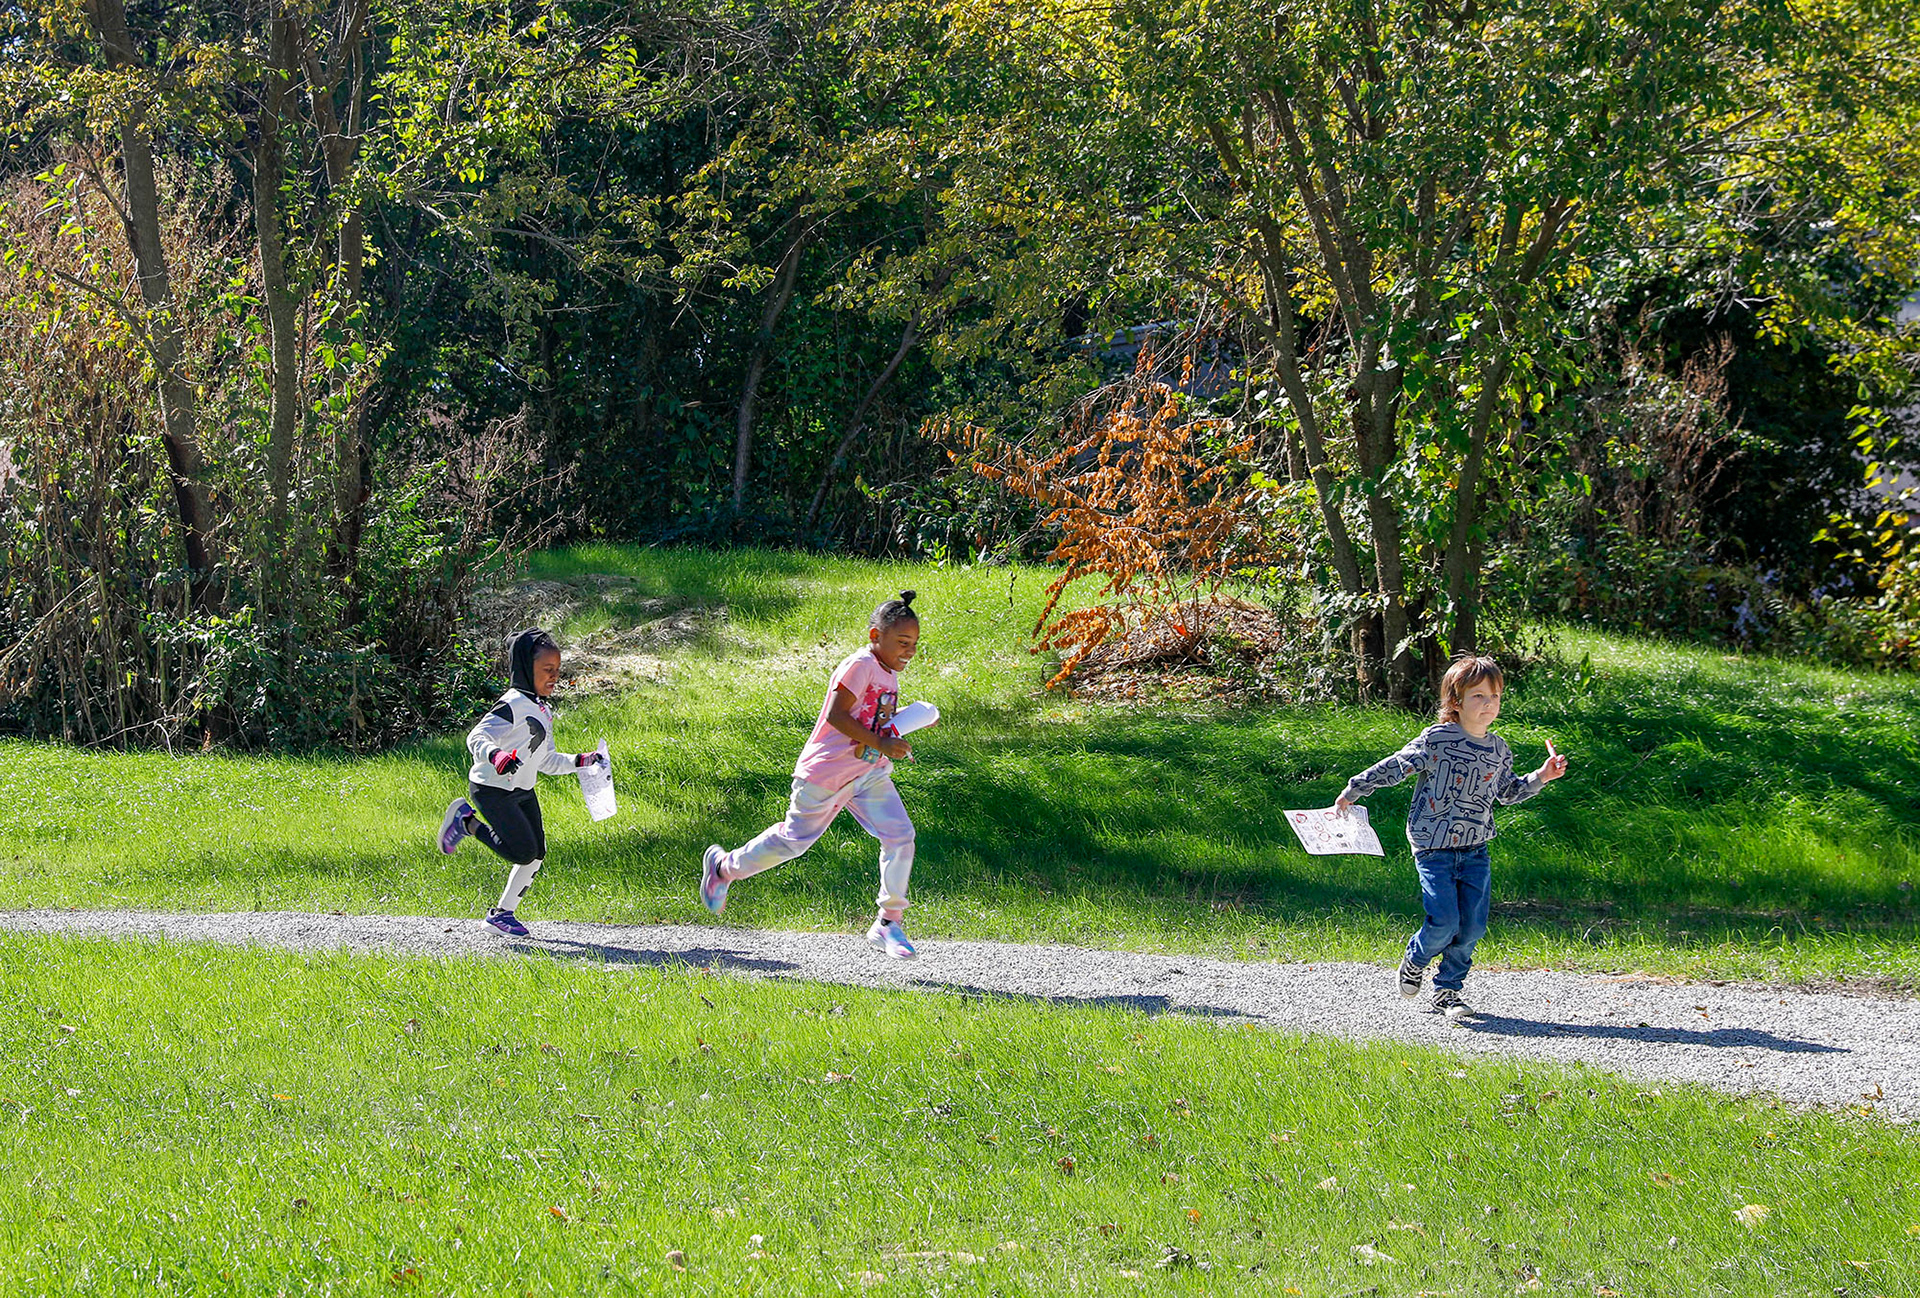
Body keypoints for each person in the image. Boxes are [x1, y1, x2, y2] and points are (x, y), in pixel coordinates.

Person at [1335, 654, 1569, 1018]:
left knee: (1472, 926)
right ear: (1456, 702)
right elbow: (1397, 766)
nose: (1488, 704)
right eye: (1478, 696)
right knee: (1444, 921)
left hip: (1476, 848)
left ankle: (1447, 991)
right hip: (1433, 846)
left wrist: (1541, 777)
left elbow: (1506, 793)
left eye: (1494, 697)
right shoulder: (1437, 740)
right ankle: (1416, 959)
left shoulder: (1499, 749)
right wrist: (1355, 789)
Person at [700, 590, 923, 958]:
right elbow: (838, 716)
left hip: (867, 773)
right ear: (874, 636)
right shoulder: (860, 665)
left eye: (914, 643)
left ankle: (889, 922)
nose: (909, 650)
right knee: (793, 841)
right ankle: (724, 868)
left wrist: (898, 734)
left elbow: (873, 723)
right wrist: (882, 744)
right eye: (902, 642)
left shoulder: (888, 673)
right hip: (826, 773)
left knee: (900, 835)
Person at [435, 627, 608, 936]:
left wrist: (581, 761)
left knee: (537, 853)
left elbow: (547, 761)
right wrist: (496, 756)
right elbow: (477, 736)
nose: (555, 676)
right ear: (527, 670)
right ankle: (466, 822)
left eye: (557, 670)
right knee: (522, 851)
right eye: (547, 670)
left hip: (522, 790)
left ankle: (501, 915)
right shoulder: (512, 704)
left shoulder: (543, 709)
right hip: (492, 789)